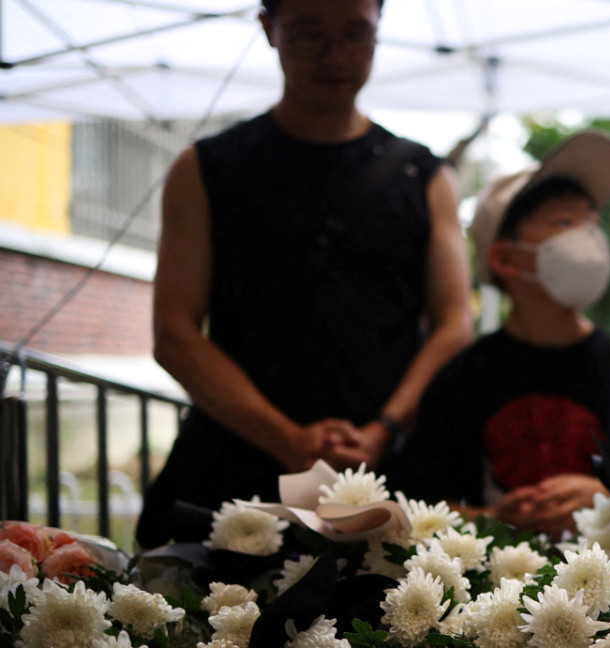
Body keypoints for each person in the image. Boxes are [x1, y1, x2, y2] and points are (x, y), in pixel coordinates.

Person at [136, 0, 474, 548]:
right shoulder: (206, 167)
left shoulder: (425, 176)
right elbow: (174, 333)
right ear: (269, 29)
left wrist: (383, 429)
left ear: (379, 32)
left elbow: (455, 324)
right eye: (308, 35)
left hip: (379, 471)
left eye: (356, 35)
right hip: (232, 472)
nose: (334, 55)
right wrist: (287, 438)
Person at [393, 130, 610, 537]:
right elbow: (420, 506)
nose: (588, 235)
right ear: (505, 258)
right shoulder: (463, 379)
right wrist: (495, 520)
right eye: (564, 220)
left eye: (591, 220)